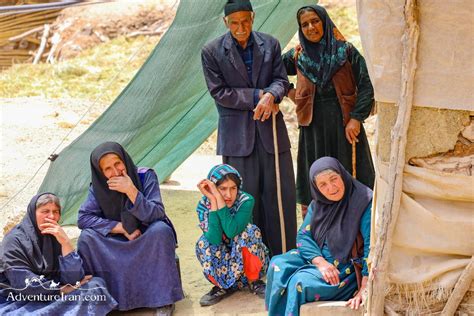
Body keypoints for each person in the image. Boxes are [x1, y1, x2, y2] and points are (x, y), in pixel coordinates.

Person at [201, 0, 296, 257]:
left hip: (271, 134)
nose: (240, 27)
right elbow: (219, 92)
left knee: (279, 196)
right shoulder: (211, 51)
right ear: (226, 23)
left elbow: (281, 80)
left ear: (252, 18)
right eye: (234, 23)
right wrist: (259, 96)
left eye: (245, 21)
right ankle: (250, 263)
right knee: (242, 200)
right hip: (237, 139)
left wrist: (272, 96)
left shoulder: (271, 44)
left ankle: (284, 256)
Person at [282, 4, 375, 219]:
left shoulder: (346, 51)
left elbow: (367, 84)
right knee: (317, 180)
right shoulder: (298, 56)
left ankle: (357, 232)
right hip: (313, 129)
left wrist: (356, 118)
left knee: (350, 178)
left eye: (315, 21)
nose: (311, 27)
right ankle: (320, 231)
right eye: (304, 24)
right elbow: (272, 71)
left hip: (344, 127)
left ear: (324, 22)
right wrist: (289, 91)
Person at [77, 142, 183, 314]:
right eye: (108, 169)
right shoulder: (98, 188)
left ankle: (163, 300)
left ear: (125, 160)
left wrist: (131, 191)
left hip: (145, 234)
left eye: (117, 163)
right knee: (87, 237)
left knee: (161, 231)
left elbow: (157, 213)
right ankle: (105, 301)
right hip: (116, 240)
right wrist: (119, 227)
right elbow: (83, 218)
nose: (116, 171)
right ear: (101, 173)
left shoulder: (145, 176)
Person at [265, 157, 372, 316]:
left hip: (342, 269)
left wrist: (364, 287)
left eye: (334, 179)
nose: (331, 188)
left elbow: (372, 245)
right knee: (277, 264)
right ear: (316, 188)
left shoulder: (363, 201)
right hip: (318, 259)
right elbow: (303, 236)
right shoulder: (318, 205)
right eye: (323, 185)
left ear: (342, 175)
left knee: (298, 283)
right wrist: (321, 262)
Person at [0, 193, 117, 315]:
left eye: (56, 212)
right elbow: (22, 282)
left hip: (54, 293)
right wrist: (61, 290)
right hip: (21, 297)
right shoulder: (14, 240)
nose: (51, 216)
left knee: (96, 286)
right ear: (33, 213)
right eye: (45, 211)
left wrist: (66, 243)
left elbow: (74, 279)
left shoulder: (56, 236)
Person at [195, 164, 269, 306]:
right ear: (212, 188)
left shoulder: (245, 201)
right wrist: (213, 201)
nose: (229, 195)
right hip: (224, 264)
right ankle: (221, 285)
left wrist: (219, 198)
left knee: (250, 231)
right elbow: (215, 239)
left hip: (245, 264)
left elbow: (231, 231)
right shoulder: (203, 206)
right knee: (203, 241)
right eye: (222, 189)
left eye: (233, 188)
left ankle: (254, 282)